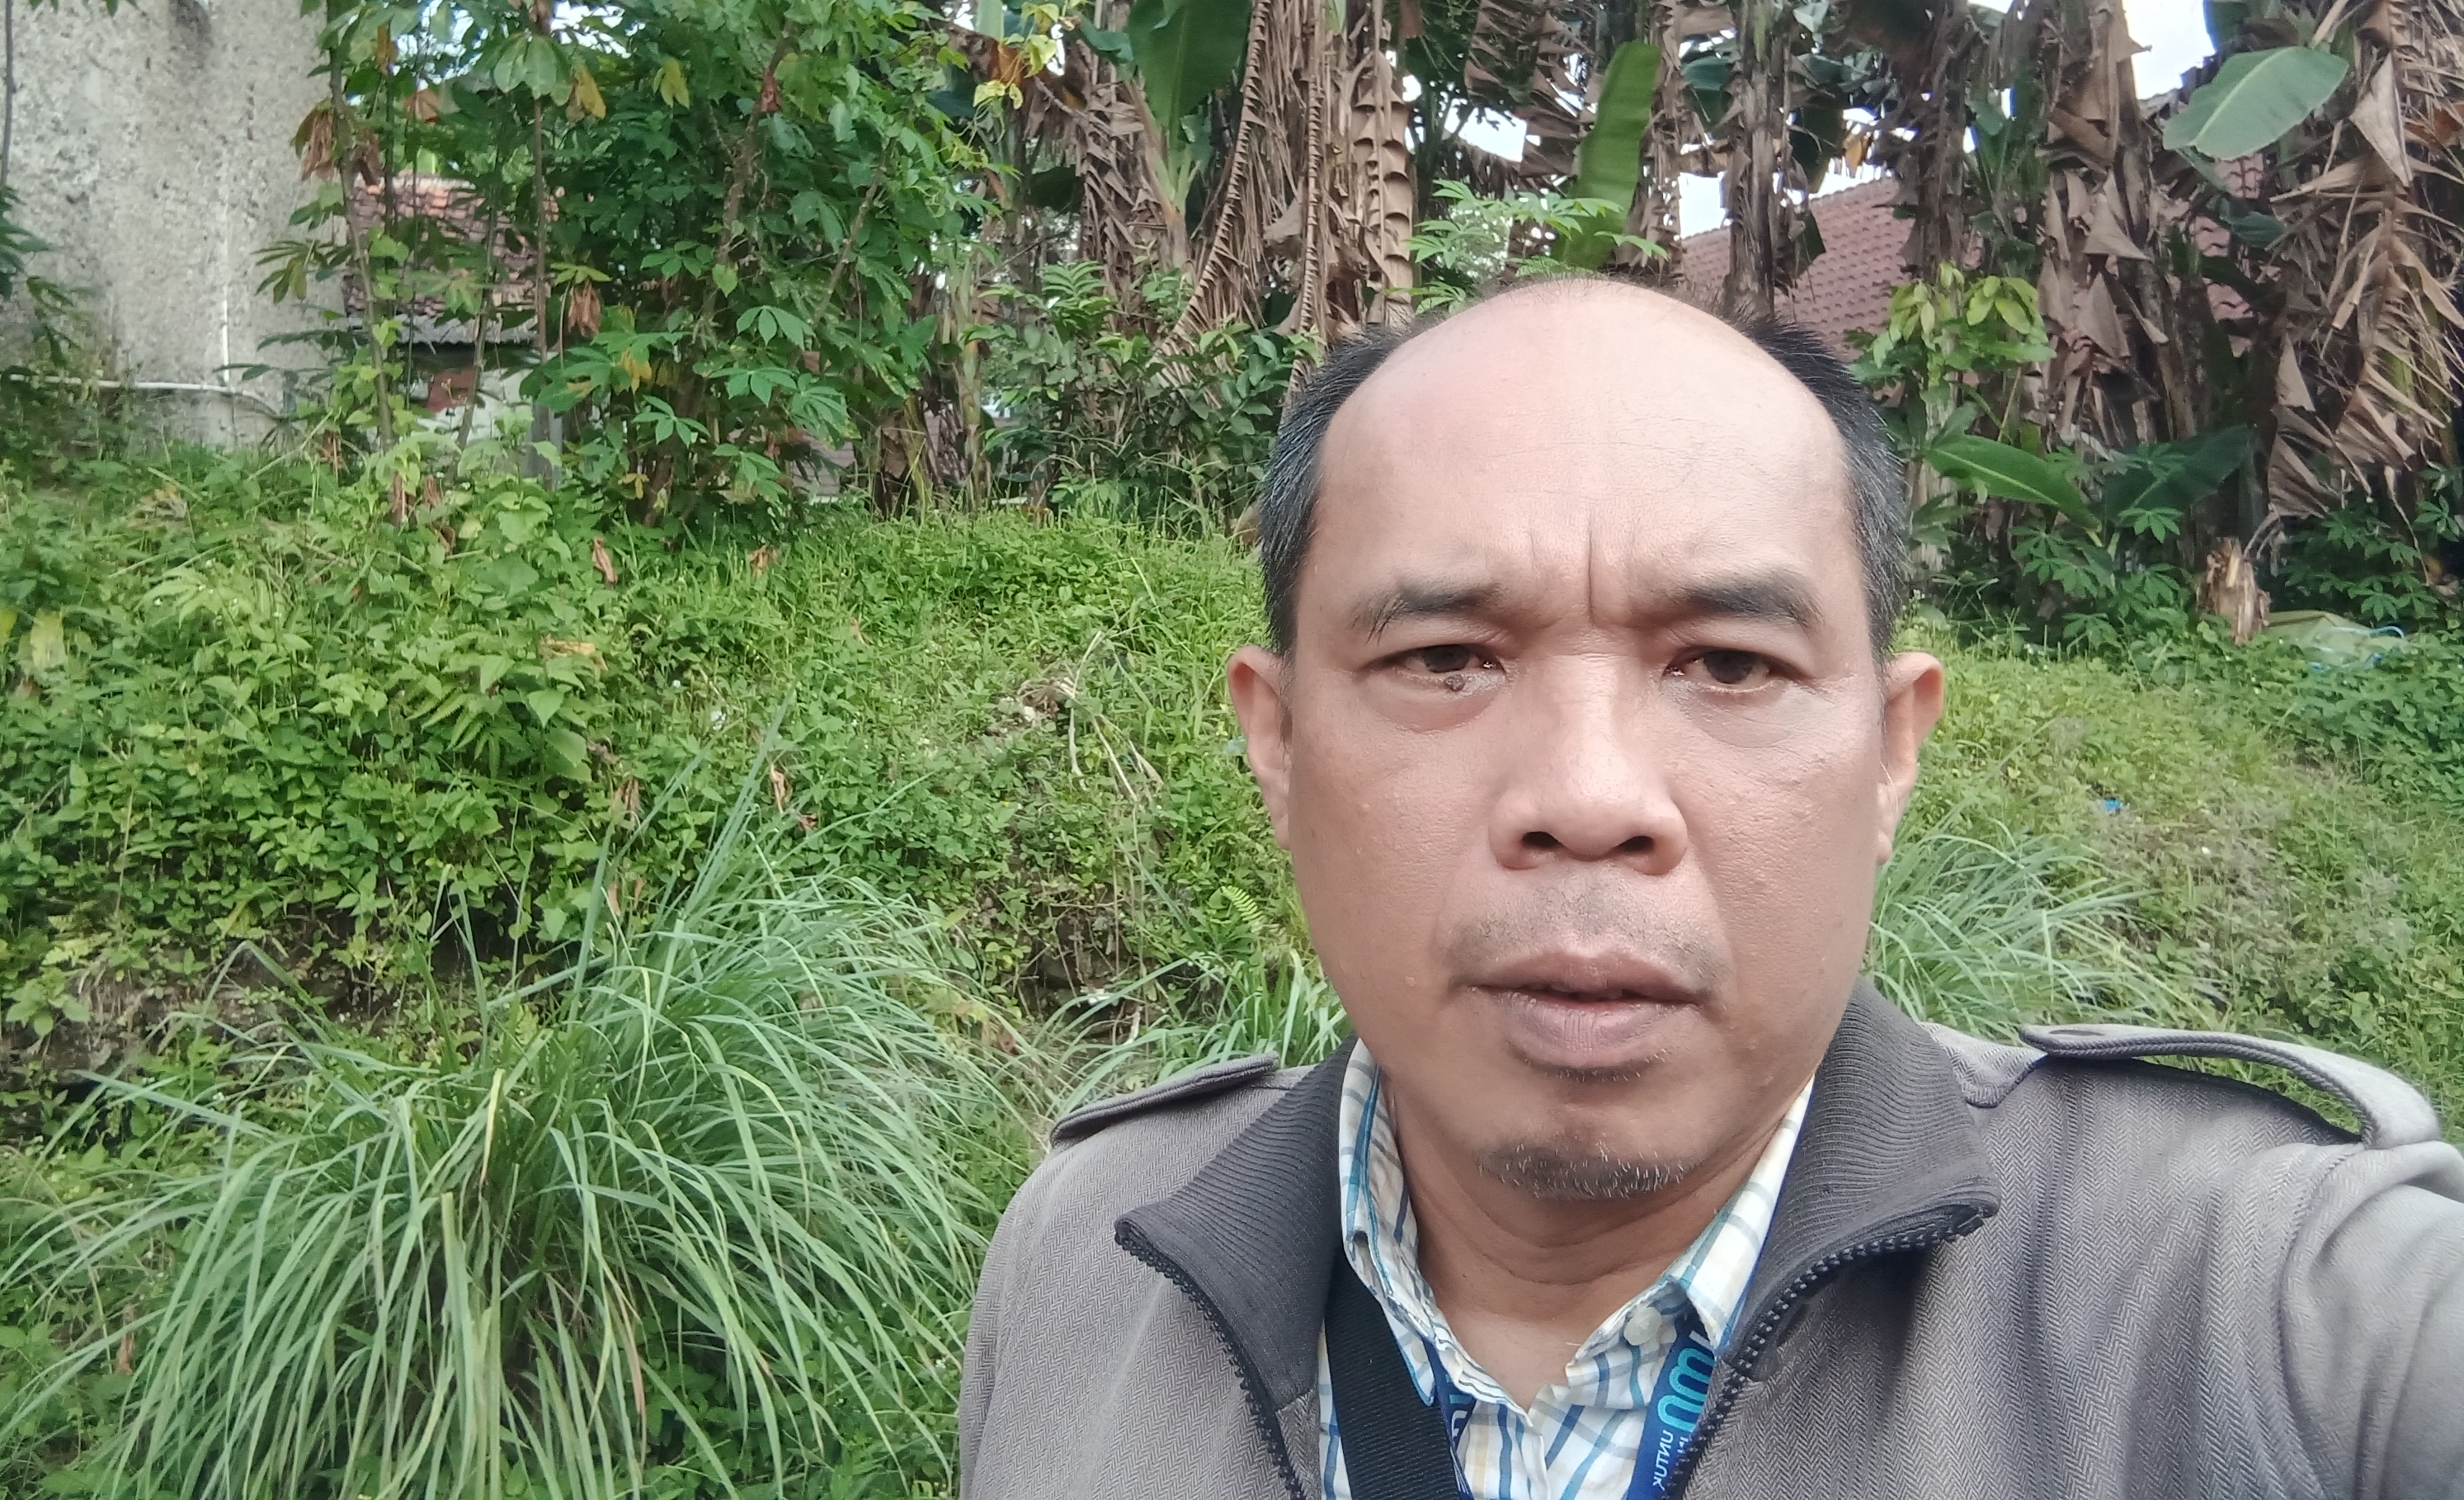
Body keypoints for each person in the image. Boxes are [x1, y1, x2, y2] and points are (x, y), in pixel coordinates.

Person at [958, 280, 2464, 1500]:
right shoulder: (1084, 1258)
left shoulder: (2269, 1305)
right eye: (1445, 659)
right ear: (1279, 744)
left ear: (1890, 751)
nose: (1589, 797)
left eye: (1730, 665)